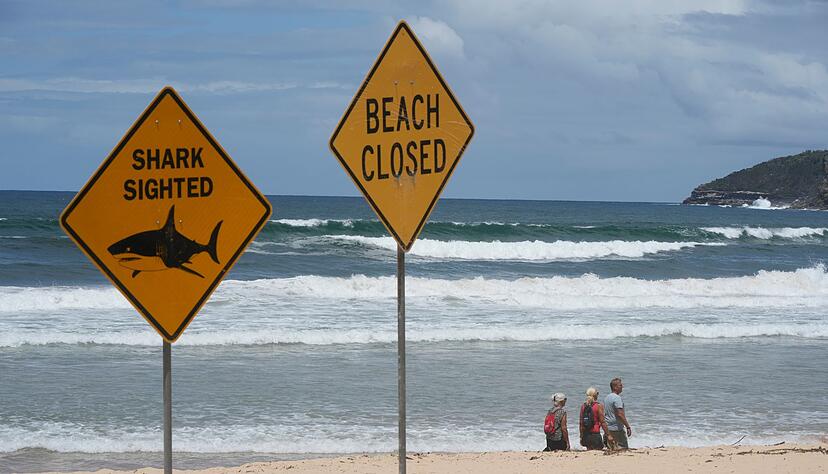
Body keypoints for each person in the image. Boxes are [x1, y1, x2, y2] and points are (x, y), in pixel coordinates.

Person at [604, 377, 632, 450]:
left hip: (608, 428)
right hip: (617, 428)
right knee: (623, 448)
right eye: (620, 385)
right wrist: (627, 426)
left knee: (611, 449)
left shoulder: (607, 397)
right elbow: (620, 414)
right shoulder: (617, 398)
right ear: (615, 387)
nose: (622, 387)